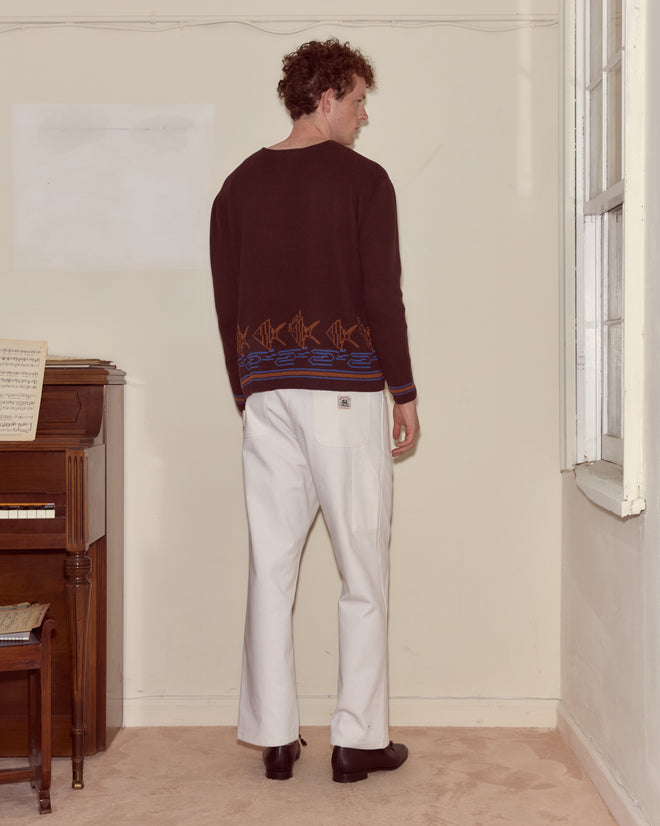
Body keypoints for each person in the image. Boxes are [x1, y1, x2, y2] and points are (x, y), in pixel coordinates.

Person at [209, 38, 419, 783]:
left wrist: (249, 389)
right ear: (325, 98)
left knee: (272, 567)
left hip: (268, 397)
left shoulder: (237, 186)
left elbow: (226, 300)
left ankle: (273, 736)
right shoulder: (364, 182)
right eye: (359, 100)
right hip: (344, 394)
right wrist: (403, 389)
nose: (364, 117)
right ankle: (358, 741)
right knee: (362, 568)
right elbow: (379, 293)